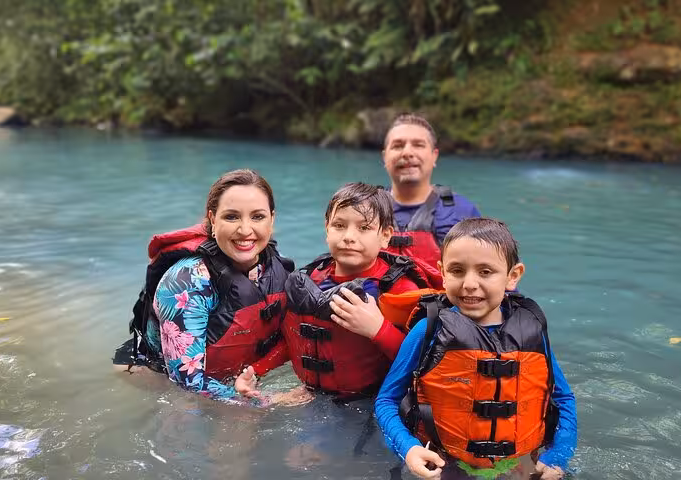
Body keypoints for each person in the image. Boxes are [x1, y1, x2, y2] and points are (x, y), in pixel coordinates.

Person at [375, 218, 577, 479]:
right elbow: (387, 401)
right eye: (457, 270)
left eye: (485, 272)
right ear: (443, 273)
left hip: (519, 463)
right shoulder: (428, 331)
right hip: (444, 463)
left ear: (512, 276)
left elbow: (563, 399)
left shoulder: (531, 331)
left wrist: (558, 456)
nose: (469, 283)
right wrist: (409, 449)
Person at [236, 182, 442, 399]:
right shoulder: (313, 279)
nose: (349, 237)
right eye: (339, 225)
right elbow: (298, 340)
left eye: (364, 228)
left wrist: (377, 329)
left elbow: (423, 361)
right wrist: (257, 371)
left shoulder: (397, 289)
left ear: (385, 235)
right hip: (316, 394)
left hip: (375, 401)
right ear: (327, 229)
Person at [126, 169, 299, 403]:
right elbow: (187, 383)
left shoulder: (278, 269)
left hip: (234, 379)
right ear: (213, 220)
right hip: (157, 378)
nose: (245, 230)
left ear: (272, 219)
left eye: (257, 216)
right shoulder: (187, 282)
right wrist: (272, 400)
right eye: (231, 217)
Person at [381, 114, 481, 269]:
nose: (407, 153)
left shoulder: (463, 211)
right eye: (397, 146)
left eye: (418, 145)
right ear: (384, 156)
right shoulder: (366, 210)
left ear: (434, 156)